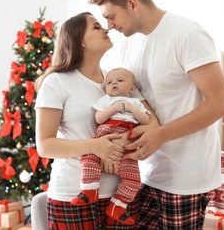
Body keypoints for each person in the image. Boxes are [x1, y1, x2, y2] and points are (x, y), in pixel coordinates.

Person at [89, 0, 224, 230]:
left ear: (133, 4)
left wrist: (161, 135)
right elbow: (136, 101)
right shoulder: (130, 43)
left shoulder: (187, 35)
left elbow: (221, 103)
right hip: (147, 172)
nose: (109, 26)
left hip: (186, 175)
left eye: (111, 16)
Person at [34, 12, 158, 229]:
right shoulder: (56, 82)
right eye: (96, 27)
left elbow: (153, 125)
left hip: (122, 196)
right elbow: (45, 145)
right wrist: (96, 146)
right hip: (73, 196)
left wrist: (121, 142)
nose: (106, 29)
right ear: (79, 40)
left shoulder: (117, 79)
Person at [71, 67, 150, 225]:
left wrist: (132, 109)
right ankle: (89, 190)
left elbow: (146, 121)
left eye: (120, 81)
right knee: (88, 158)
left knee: (134, 180)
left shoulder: (135, 102)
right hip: (105, 134)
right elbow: (99, 118)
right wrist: (114, 108)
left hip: (127, 144)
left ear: (132, 89)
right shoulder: (105, 100)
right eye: (109, 82)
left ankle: (117, 206)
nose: (114, 83)